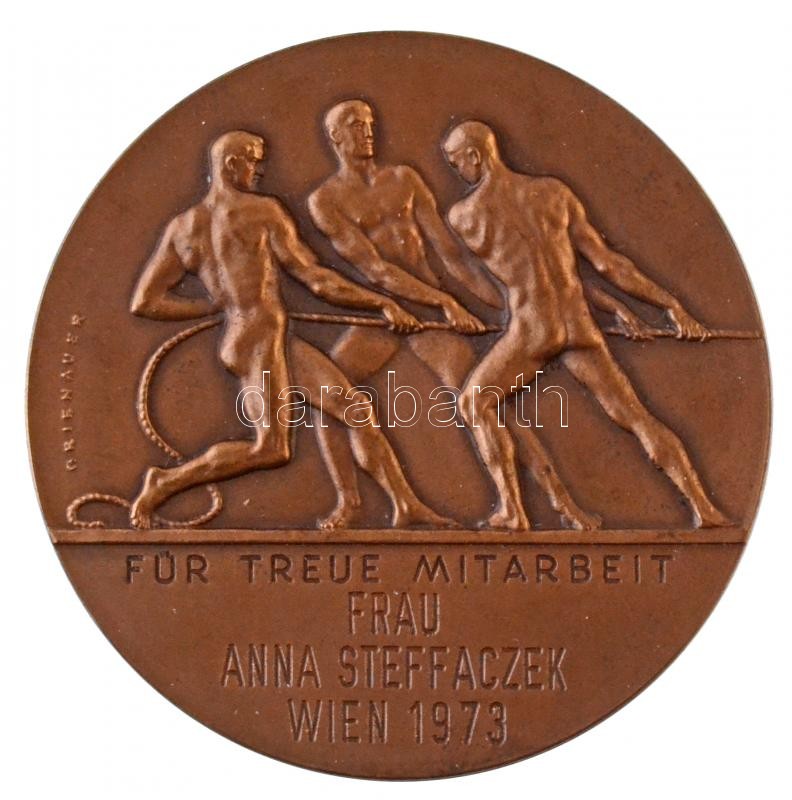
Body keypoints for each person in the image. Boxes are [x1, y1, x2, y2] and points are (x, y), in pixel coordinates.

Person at [128, 130, 453, 530]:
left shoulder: (184, 226)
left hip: (265, 338)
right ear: (231, 165)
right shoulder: (261, 212)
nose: (260, 169)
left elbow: (147, 301)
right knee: (271, 449)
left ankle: (404, 505)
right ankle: (165, 482)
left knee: (354, 409)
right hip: (258, 344)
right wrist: (380, 303)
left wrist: (213, 306)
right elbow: (316, 279)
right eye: (253, 160)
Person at [442, 120, 729, 530]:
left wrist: (457, 311)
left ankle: (513, 511)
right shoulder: (554, 193)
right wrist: (670, 306)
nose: (457, 171)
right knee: (636, 416)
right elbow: (606, 265)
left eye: (456, 162)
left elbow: (496, 287)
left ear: (475, 155)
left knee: (474, 402)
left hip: (532, 330)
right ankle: (704, 508)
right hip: (578, 325)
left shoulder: (466, 215)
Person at [306, 99, 499, 527]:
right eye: (355, 125)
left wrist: (502, 307)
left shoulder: (404, 179)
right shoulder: (326, 200)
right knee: (329, 400)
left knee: (477, 396)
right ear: (336, 137)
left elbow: (450, 254)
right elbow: (375, 270)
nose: (367, 132)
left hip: (428, 314)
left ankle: (515, 502)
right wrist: (442, 302)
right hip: (382, 315)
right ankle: (349, 503)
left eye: (369, 123)